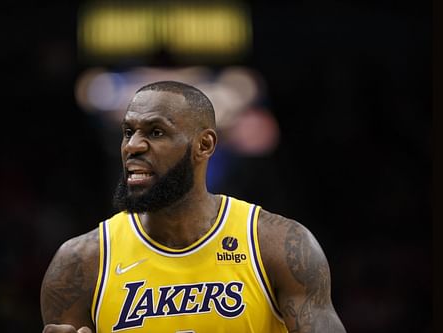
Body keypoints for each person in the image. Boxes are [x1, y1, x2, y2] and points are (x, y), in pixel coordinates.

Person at [40, 81, 346, 333]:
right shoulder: (80, 262)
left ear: (204, 145)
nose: (133, 146)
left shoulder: (278, 245)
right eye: (128, 132)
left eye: (155, 132)